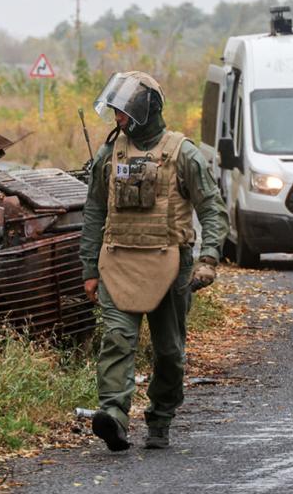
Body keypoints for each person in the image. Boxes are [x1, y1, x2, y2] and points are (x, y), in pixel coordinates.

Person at [79, 71, 229, 451]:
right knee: (117, 338)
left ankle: (160, 418)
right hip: (118, 263)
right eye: (115, 112)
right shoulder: (109, 154)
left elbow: (212, 208)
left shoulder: (183, 154)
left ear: (146, 110)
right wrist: (89, 270)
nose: (118, 119)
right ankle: (113, 415)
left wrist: (208, 257)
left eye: (124, 111)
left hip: (170, 267)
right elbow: (94, 211)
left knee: (169, 352)